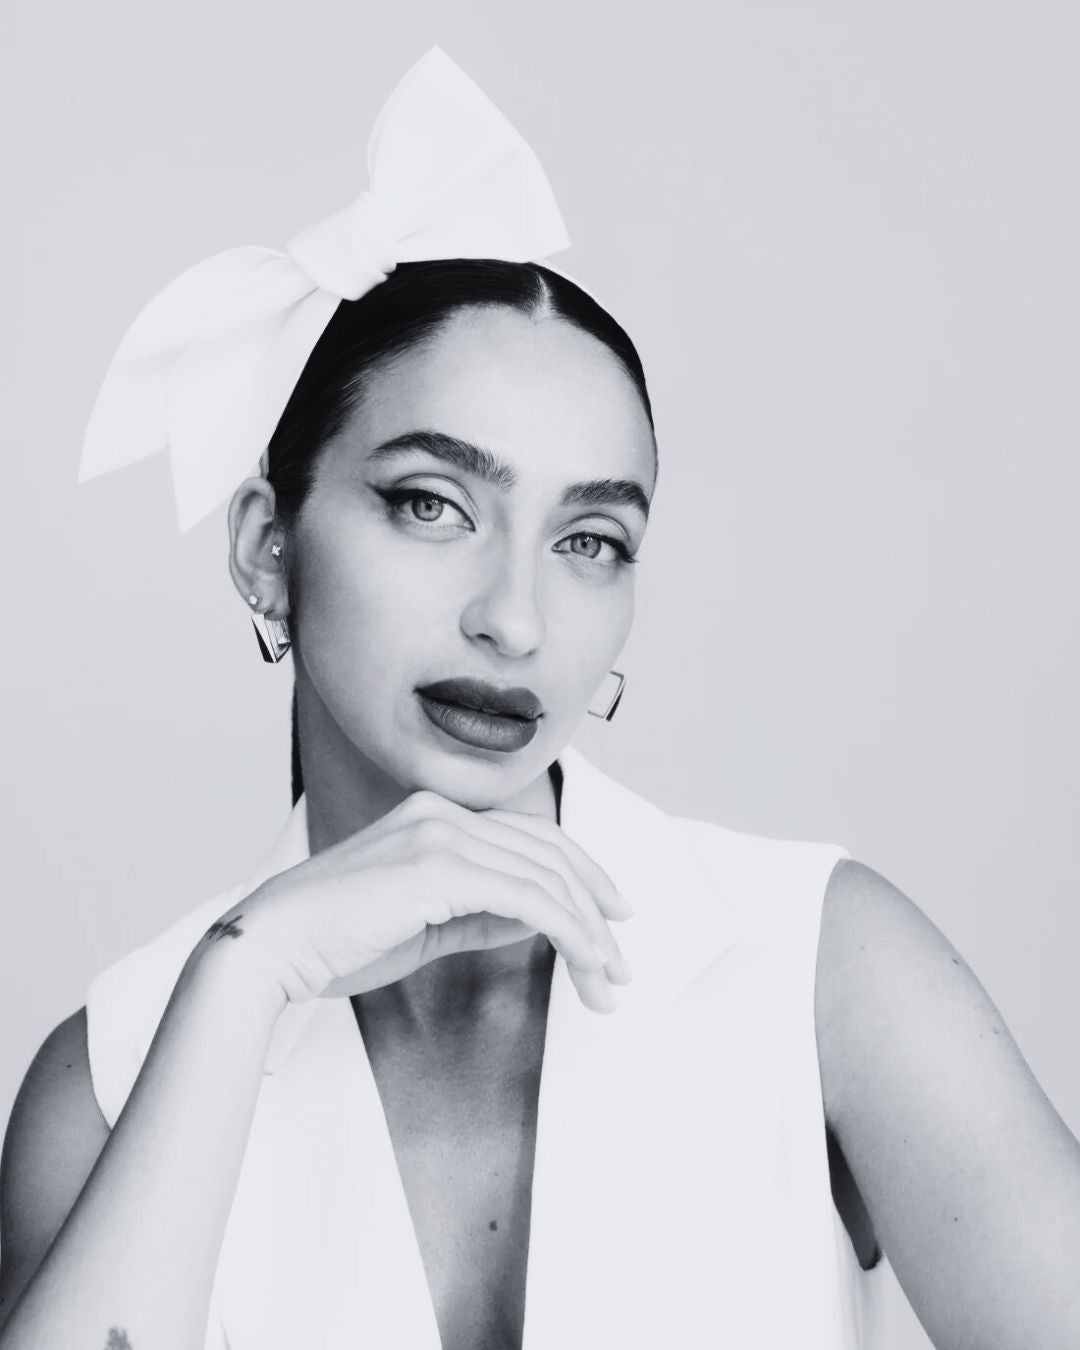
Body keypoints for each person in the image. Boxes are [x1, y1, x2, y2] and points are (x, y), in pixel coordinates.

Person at [1, 46, 1078, 1350]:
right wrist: (248, 975)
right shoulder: (110, 1075)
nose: (513, 618)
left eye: (590, 542)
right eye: (433, 503)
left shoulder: (820, 964)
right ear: (267, 551)